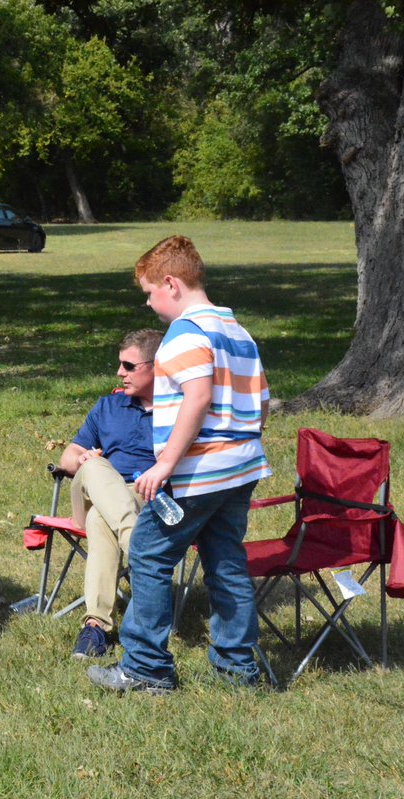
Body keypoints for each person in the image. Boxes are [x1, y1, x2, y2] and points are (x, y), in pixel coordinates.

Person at [87, 235, 271, 694]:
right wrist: (241, 444)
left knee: (149, 553)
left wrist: (167, 461)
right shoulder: (238, 332)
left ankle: (146, 667)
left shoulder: (186, 332)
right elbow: (262, 400)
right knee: (226, 563)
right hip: (241, 468)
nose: (150, 303)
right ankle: (236, 670)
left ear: (171, 284)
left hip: (198, 472)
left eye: (150, 293)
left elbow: (198, 396)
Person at [58, 329, 161, 659]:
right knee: (91, 468)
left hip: (148, 499)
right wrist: (85, 459)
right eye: (120, 365)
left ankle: (95, 627)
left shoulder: (180, 411)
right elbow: (67, 458)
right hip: (93, 489)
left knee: (100, 518)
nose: (120, 373)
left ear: (157, 366)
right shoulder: (108, 406)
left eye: (129, 366)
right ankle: (137, 547)